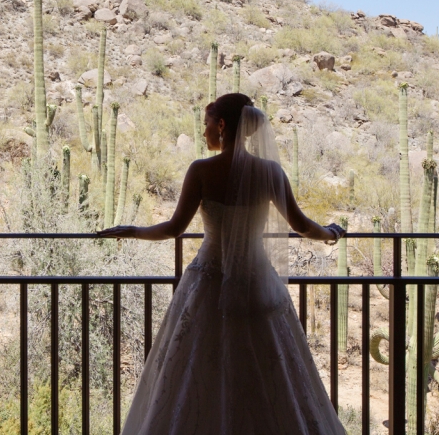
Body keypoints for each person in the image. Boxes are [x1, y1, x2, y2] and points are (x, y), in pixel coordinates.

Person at [98, 93, 347, 434]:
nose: (204, 134)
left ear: (222, 125)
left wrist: (132, 231)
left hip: (208, 287)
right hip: (257, 285)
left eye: (205, 125)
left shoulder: (201, 171)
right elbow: (302, 226)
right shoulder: (270, 171)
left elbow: (173, 229)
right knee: (266, 373)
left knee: (199, 373)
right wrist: (331, 233)